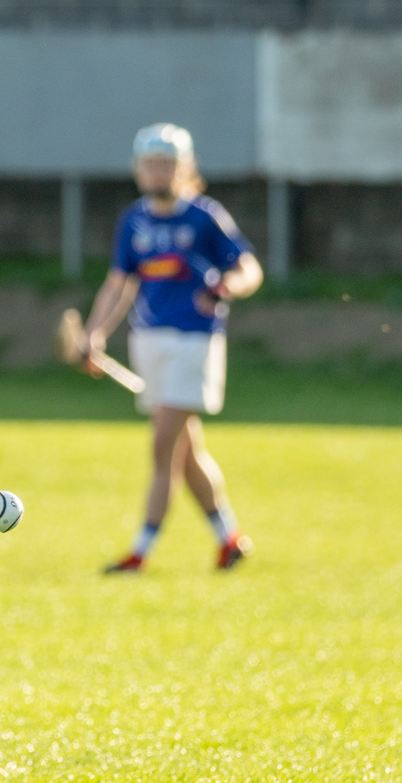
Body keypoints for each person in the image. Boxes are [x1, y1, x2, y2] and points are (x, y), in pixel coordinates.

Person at [80, 123, 263, 574]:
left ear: (185, 169)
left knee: (164, 447)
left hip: (194, 342)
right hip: (149, 341)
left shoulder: (205, 216)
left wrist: (227, 287)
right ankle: (229, 538)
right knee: (187, 451)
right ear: (139, 171)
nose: (159, 173)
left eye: (168, 164)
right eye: (151, 165)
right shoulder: (134, 220)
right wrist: (94, 333)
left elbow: (248, 268)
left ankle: (140, 552)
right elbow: (118, 285)